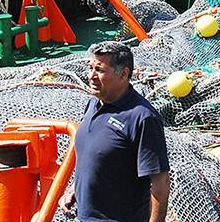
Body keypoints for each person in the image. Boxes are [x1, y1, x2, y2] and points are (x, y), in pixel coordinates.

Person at [63, 41, 170, 222]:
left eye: (100, 70)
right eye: (91, 68)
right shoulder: (93, 104)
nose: (91, 76)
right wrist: (76, 188)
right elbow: (95, 156)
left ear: (124, 73)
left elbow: (161, 183)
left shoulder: (142, 118)